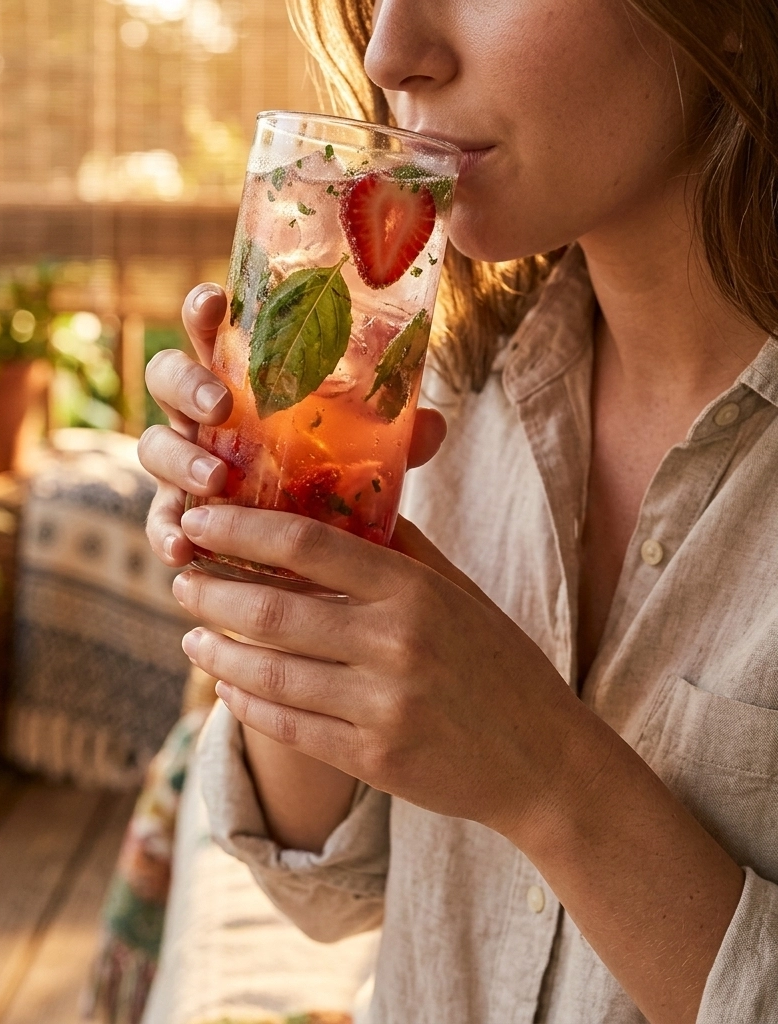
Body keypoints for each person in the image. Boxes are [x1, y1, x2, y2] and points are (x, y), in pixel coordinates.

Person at [136, 0, 778, 1020]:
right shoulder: (425, 394)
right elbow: (326, 886)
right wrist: (275, 577)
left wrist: (548, 777)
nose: (390, 52)